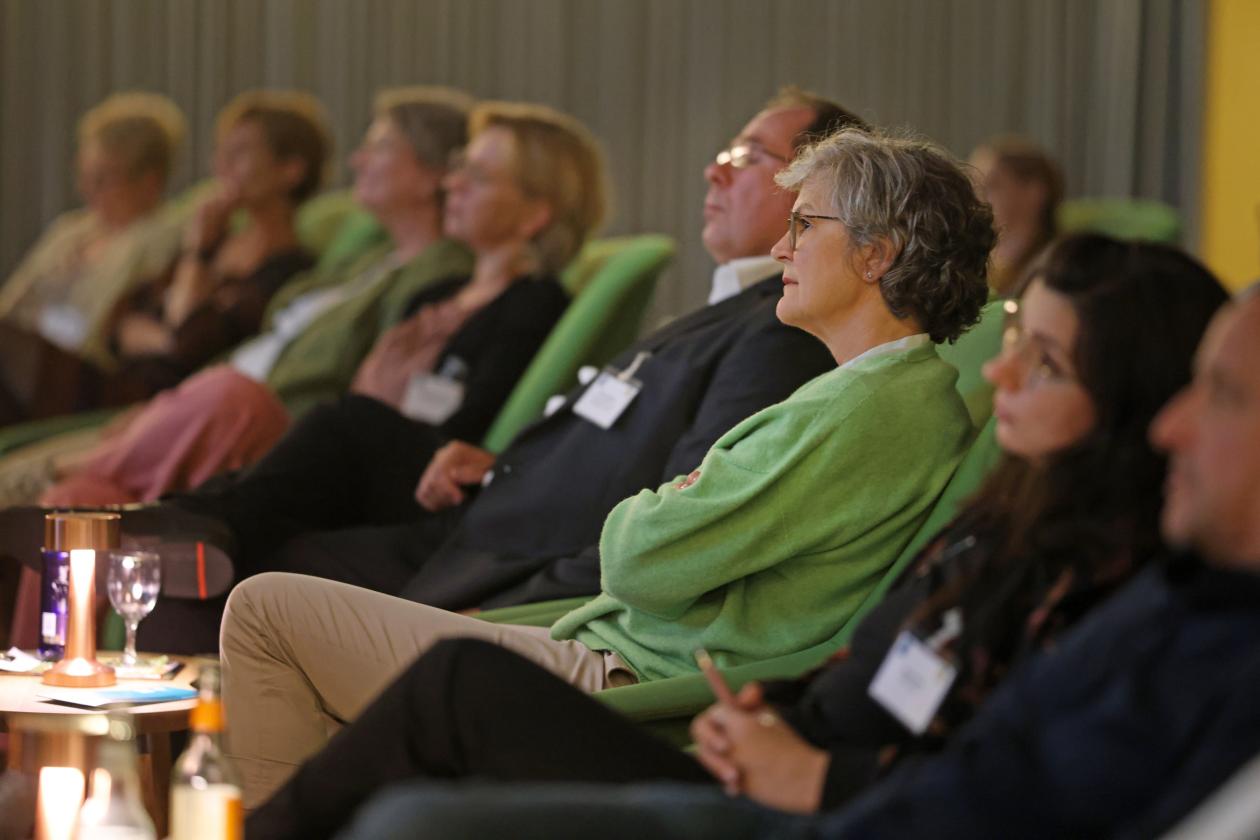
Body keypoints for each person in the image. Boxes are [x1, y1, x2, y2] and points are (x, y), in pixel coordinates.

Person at [243, 234, 1229, 839]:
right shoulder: (1012, 510)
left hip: (782, 785)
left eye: (1044, 365)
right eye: (1013, 350)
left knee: (418, 699)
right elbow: (872, 653)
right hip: (744, 730)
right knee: (368, 667)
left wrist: (811, 767)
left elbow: (1005, 777)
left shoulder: (1107, 570)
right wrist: (773, 711)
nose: (1000, 380)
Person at [220, 124, 993, 808]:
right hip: (613, 646)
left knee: (264, 613)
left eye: (802, 225)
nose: (782, 248)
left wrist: (654, 509)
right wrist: (670, 503)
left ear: (877, 252)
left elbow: (638, 561)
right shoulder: (888, 394)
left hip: (635, 678)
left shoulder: (861, 408)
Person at [0, 88, 854, 630]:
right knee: (224, 552)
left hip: (505, 558)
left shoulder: (773, 329)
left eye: (747, 156)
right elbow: (608, 440)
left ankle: (186, 539)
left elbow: (677, 507)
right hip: (480, 506)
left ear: (815, 193)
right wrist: (500, 466)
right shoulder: (720, 309)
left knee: (313, 426)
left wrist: (517, 599)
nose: (714, 169)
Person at [0, 90, 330, 421]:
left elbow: (191, 344)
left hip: (148, 400)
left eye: (240, 153)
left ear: (291, 170)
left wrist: (197, 253)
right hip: (120, 377)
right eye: (221, 151)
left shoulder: (288, 268)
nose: (221, 166)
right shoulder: (221, 243)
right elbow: (119, 323)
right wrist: (169, 339)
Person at [0, 92, 186, 408]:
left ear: (149, 181)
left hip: (85, 381)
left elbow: (109, 337)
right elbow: (11, 305)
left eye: (104, 179)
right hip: (20, 367)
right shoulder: (70, 230)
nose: (87, 189)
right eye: (84, 175)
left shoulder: (164, 239)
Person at [969, 135, 1062, 296]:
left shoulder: (1057, 264)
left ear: (1035, 192)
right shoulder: (968, 258)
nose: (978, 195)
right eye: (974, 184)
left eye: (992, 184)